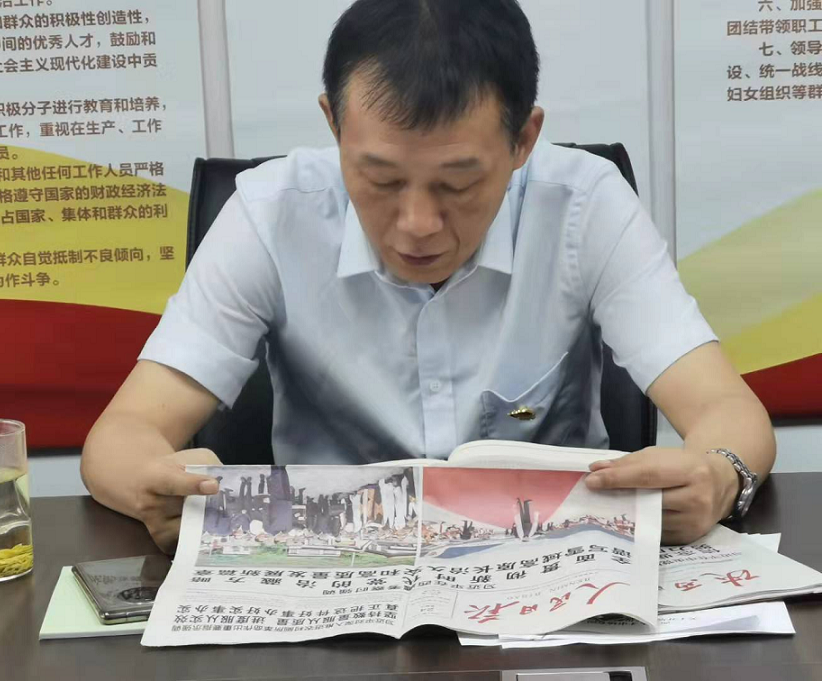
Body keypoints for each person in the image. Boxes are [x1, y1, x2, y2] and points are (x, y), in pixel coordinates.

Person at [81, 0, 775, 553]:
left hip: (547, 573)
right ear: (334, 125)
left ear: (524, 140)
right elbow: (122, 436)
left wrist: (721, 474)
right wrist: (153, 481)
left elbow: (727, 411)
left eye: (458, 183)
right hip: (331, 576)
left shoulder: (584, 205)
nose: (417, 224)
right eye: (381, 179)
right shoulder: (270, 214)